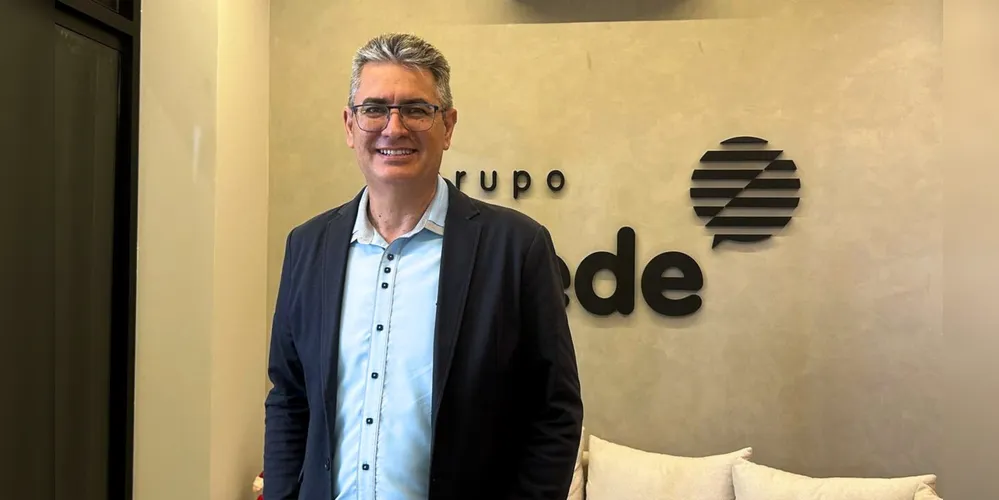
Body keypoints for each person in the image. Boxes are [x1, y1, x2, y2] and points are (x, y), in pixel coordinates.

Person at [263, 33, 584, 500]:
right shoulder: (308, 246)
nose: (393, 128)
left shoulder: (516, 247)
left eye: (416, 109)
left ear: (448, 126)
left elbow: (553, 411)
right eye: (374, 109)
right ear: (350, 125)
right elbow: (289, 398)